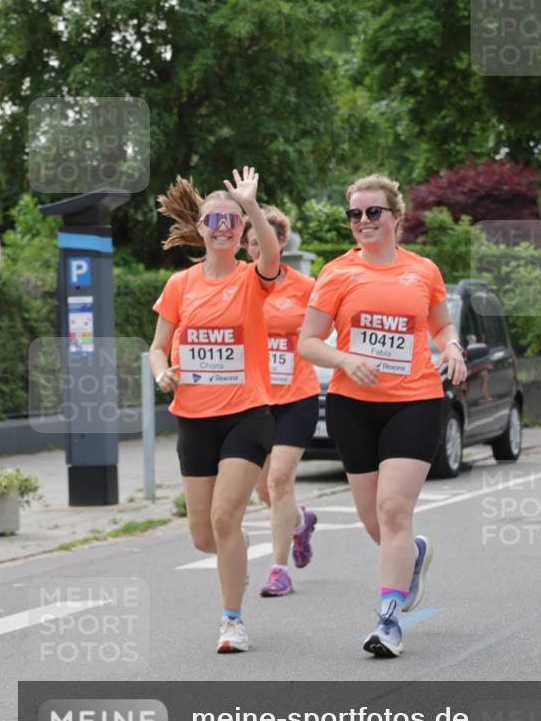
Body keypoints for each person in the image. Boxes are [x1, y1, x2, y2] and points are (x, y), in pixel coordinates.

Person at [298, 174, 467, 658]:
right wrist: (345, 359)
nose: (364, 221)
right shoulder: (336, 274)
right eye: (355, 214)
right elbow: (308, 341)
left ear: (396, 216)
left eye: (374, 212)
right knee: (377, 523)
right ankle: (412, 555)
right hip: (353, 406)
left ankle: (389, 620)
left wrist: (451, 347)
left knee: (394, 510)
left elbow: (441, 323)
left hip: (414, 399)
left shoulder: (423, 271)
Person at [149, 167, 280, 654]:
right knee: (205, 536)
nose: (223, 226)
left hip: (247, 414)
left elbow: (271, 252)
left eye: (231, 220)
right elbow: (157, 346)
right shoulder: (181, 285)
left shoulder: (252, 278)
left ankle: (232, 622)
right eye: (214, 220)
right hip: (194, 418)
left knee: (225, 520)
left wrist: (250, 204)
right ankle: (236, 550)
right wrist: (161, 372)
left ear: (240, 229)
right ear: (200, 229)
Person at [242, 207, 319, 597]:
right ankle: (300, 521)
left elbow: (323, 335)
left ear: (280, 243)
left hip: (296, 396)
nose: (258, 249)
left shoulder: (306, 287)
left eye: (265, 242)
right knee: (263, 491)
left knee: (279, 479)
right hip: (254, 402)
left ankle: (278, 571)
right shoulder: (236, 285)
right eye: (252, 242)